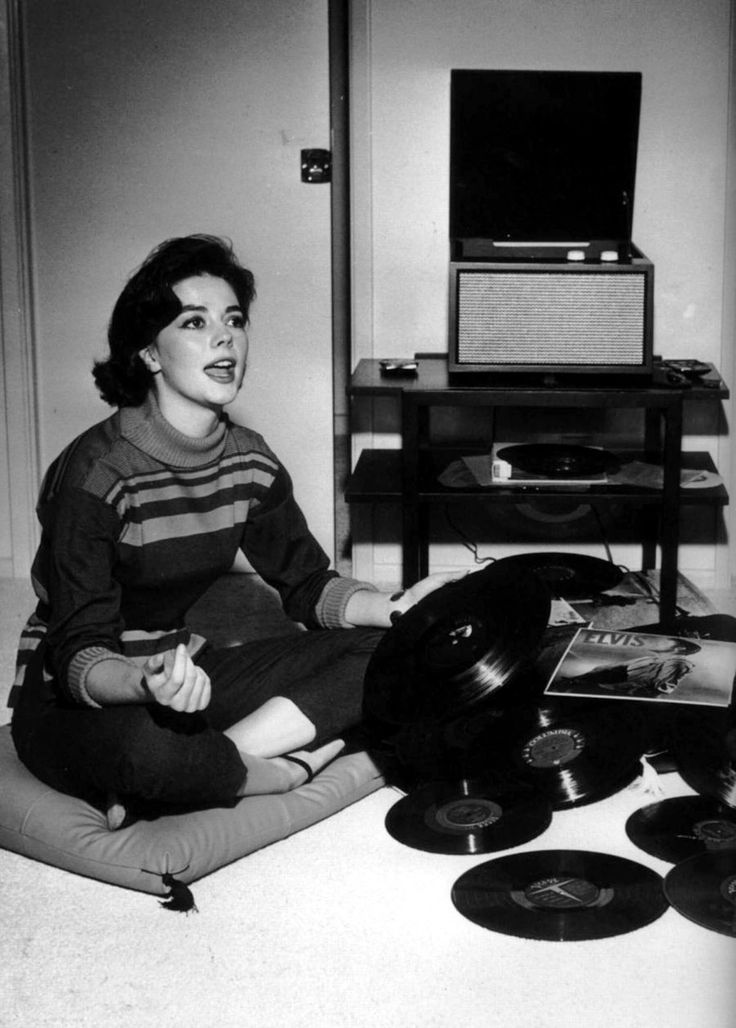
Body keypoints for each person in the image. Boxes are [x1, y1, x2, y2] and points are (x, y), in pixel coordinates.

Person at [10, 234, 454, 825]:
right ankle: (282, 769)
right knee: (146, 751)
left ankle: (216, 761)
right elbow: (78, 652)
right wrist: (145, 684)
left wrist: (399, 609)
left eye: (235, 320)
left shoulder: (250, 460)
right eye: (194, 322)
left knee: (394, 651)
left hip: (184, 671)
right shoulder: (96, 473)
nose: (225, 338)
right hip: (81, 689)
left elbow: (308, 585)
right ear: (149, 353)